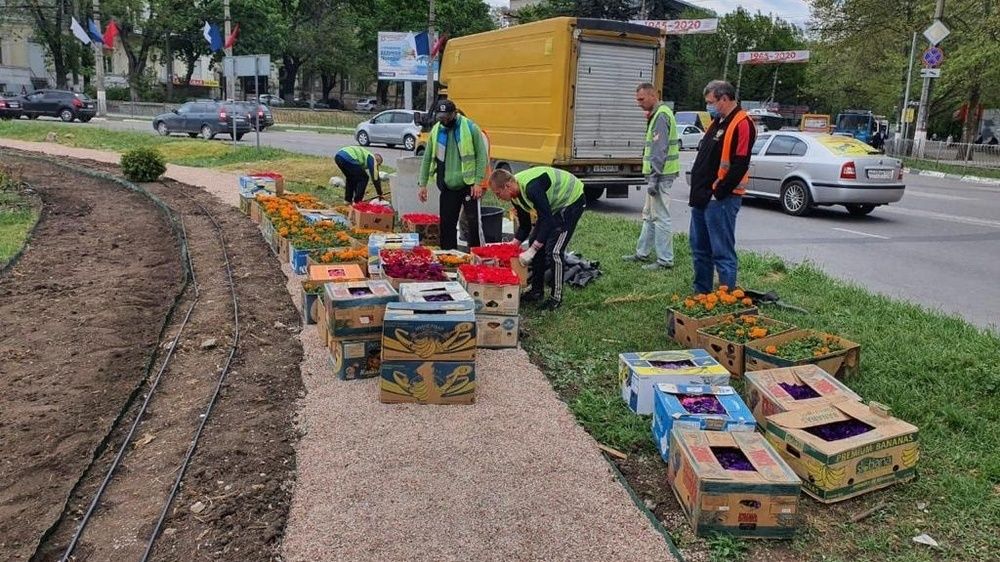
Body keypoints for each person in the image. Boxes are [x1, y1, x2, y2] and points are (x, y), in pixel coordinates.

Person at [687, 80, 756, 295]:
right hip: (701, 196)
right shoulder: (718, 121)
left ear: (724, 99)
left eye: (711, 102)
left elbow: (740, 163)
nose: (708, 106)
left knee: (722, 253)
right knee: (700, 250)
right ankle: (702, 295)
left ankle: (726, 300)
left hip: (721, 200)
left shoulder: (742, 123)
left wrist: (719, 192)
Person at [488, 166, 586, 310]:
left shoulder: (531, 188)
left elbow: (547, 220)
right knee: (535, 240)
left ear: (507, 186)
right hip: (553, 207)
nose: (498, 197)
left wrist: (532, 250)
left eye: (498, 193)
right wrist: (512, 245)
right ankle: (536, 291)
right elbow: (525, 226)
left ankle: (556, 298)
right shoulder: (515, 195)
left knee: (555, 251)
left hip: (571, 201)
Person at [418, 99, 489, 250]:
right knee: (447, 224)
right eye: (440, 118)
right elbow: (427, 157)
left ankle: (475, 255)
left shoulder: (470, 128)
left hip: (468, 185)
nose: (444, 121)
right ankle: (448, 255)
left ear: (454, 114)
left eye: (447, 118)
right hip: (447, 185)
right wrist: (422, 184)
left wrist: (477, 182)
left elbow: (482, 156)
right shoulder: (437, 130)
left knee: (473, 224)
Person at [623, 82, 679, 270]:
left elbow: (659, 150)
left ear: (652, 95)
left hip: (661, 175)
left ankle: (665, 260)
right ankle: (642, 253)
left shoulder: (661, 116)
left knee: (661, 216)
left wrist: (654, 178)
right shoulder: (658, 114)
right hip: (657, 174)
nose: (639, 103)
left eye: (641, 99)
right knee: (649, 215)